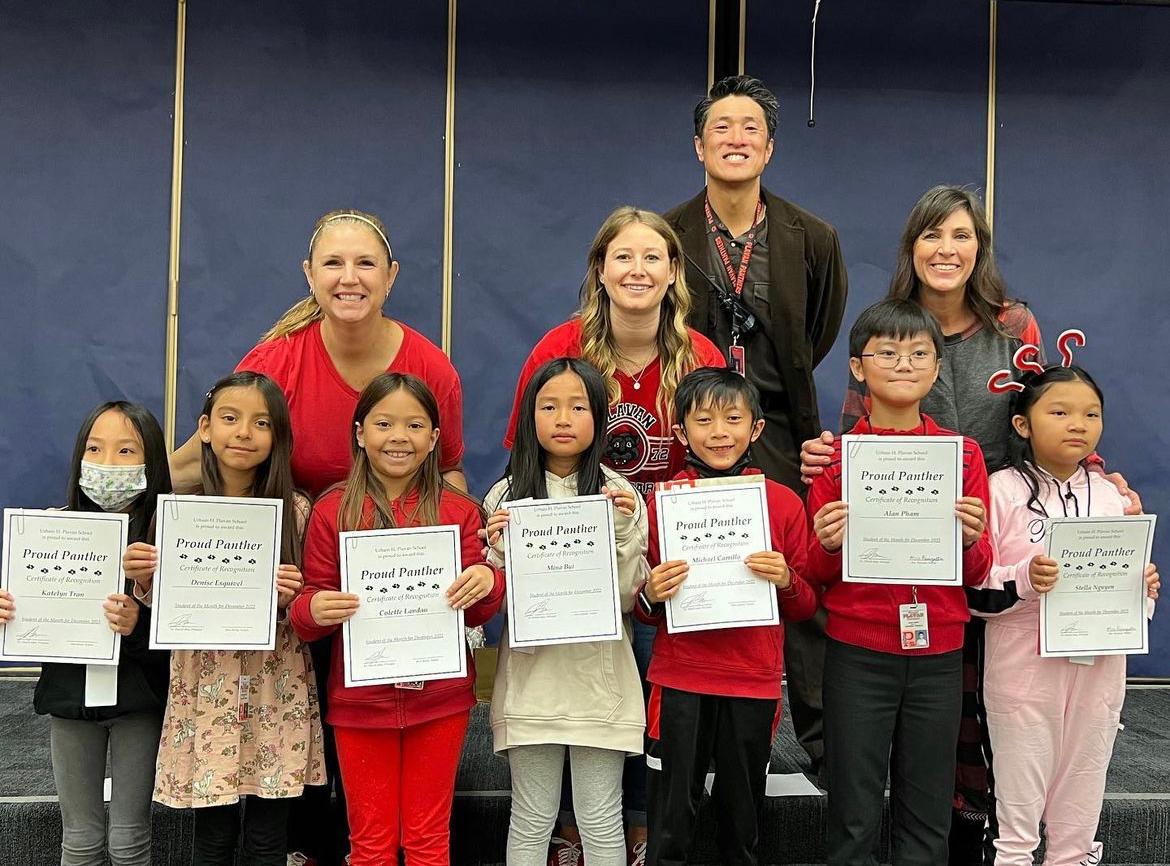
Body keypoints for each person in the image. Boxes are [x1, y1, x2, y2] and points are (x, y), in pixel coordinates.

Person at [800, 186, 1141, 862]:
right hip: (898, 572)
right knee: (924, 727)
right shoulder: (886, 330)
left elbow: (1044, 405)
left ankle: (974, 837)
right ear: (912, 247)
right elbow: (855, 441)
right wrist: (832, 464)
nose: (946, 250)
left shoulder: (1014, 325)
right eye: (932, 235)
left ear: (979, 248)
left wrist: (1092, 475)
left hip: (994, 521)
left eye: (961, 236)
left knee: (983, 716)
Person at [168, 209, 467, 865]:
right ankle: (309, 848)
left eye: (365, 263)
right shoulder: (275, 361)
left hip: (392, 596)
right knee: (307, 735)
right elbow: (200, 456)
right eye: (333, 263)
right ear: (309, 275)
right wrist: (108, 512)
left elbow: (449, 476)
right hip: (297, 582)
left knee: (366, 742)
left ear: (391, 277)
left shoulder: (430, 366)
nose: (348, 277)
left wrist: (465, 563)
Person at [504, 206, 723, 863]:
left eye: (652, 257)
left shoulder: (700, 355)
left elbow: (722, 454)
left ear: (674, 271)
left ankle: (640, 824)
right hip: (578, 569)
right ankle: (573, 826)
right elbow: (525, 452)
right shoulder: (559, 348)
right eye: (622, 256)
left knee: (652, 702)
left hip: (672, 563)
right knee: (580, 691)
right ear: (599, 269)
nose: (637, 269)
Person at [665, 75, 848, 779]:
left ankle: (822, 743)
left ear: (769, 149)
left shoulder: (813, 238)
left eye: (751, 129)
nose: (735, 139)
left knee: (793, 578)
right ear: (698, 145)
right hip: (692, 429)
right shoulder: (666, 236)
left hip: (776, 430)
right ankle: (693, 745)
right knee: (695, 574)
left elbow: (817, 332)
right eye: (721, 127)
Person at [804, 299, 992, 866]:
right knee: (853, 811)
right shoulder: (836, 460)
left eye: (919, 353)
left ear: (937, 368)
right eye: (887, 352)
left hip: (940, 654)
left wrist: (969, 540)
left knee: (928, 811)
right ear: (858, 368)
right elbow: (814, 574)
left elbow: (979, 571)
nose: (904, 364)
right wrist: (828, 544)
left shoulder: (963, 457)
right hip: (857, 653)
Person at [289, 373, 504, 866]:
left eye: (414, 425)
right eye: (384, 424)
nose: (399, 437)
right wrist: (314, 608)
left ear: (434, 438)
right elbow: (306, 610)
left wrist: (488, 581)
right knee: (370, 846)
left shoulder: (459, 512)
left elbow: (478, 610)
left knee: (429, 840)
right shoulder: (332, 510)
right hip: (360, 704)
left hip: (440, 701)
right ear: (360, 432)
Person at [122, 372, 324, 866]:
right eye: (230, 418)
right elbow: (160, 608)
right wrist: (143, 579)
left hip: (276, 689)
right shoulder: (177, 512)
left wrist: (291, 598)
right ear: (205, 428)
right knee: (212, 838)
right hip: (206, 690)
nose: (244, 432)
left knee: (268, 839)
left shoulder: (298, 511)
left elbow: (311, 607)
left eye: (261, 423)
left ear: (278, 436)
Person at [970, 361, 1159, 866]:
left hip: (1099, 669)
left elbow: (1128, 582)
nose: (1079, 424)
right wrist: (1026, 578)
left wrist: (1142, 589)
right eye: (1060, 412)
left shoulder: (1114, 497)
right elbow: (973, 589)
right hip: (1022, 671)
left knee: (1081, 800)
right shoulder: (999, 490)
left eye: (1091, 414)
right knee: (1016, 819)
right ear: (1022, 423)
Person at [637, 367, 817, 866]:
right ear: (680, 433)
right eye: (704, 420)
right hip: (681, 680)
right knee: (670, 826)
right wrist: (651, 592)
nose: (719, 432)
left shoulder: (782, 503)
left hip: (752, 680)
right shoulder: (662, 503)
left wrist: (786, 580)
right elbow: (642, 609)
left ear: (755, 429)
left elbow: (806, 605)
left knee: (742, 826)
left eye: (733, 419)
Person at [484, 358, 648, 866]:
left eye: (578, 407)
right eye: (549, 406)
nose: (562, 419)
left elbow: (629, 598)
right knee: (531, 819)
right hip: (531, 683)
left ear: (599, 416)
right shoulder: (505, 496)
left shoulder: (619, 494)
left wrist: (622, 532)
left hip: (601, 682)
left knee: (601, 818)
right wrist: (497, 553)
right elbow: (497, 601)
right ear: (528, 416)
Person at [0, 402, 173, 866]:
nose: (107, 463)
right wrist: (13, 610)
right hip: (70, 702)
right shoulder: (50, 529)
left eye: (125, 451)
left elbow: (184, 641)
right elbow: (31, 611)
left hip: (139, 703)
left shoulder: (169, 537)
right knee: (79, 840)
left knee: (129, 842)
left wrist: (138, 624)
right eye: (94, 449)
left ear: (151, 460)